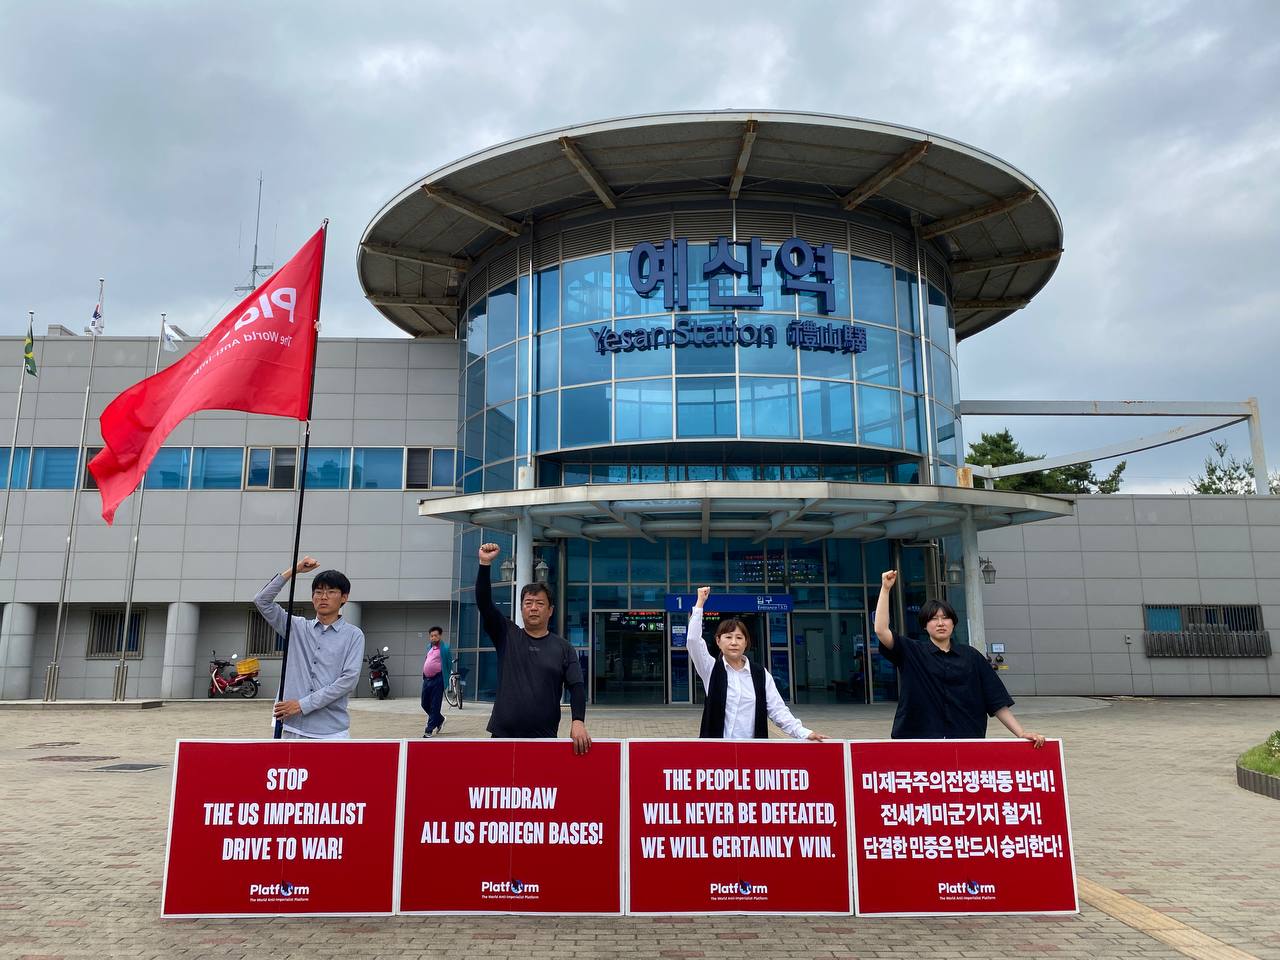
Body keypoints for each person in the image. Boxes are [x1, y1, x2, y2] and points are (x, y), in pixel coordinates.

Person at [873, 569, 1045, 746]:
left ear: (953, 623)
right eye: (934, 619)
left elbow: (996, 699)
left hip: (966, 742)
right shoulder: (911, 652)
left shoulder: (972, 657)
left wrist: (1021, 733)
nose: (940, 623)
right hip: (917, 742)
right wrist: (885, 589)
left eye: (945, 618)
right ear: (925, 625)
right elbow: (881, 630)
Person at [475, 543, 591, 754]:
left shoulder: (563, 648)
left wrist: (578, 721)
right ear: (521, 609)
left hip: (544, 740)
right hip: (502, 737)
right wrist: (484, 564)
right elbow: (484, 603)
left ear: (550, 610)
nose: (534, 608)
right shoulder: (507, 635)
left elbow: (576, 687)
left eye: (540, 603)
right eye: (528, 603)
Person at [689, 586, 826, 741]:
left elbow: (778, 711)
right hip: (717, 751)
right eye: (728, 637)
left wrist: (804, 733)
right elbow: (693, 640)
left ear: (746, 643)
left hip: (751, 750)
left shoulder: (760, 674)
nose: (734, 642)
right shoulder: (710, 669)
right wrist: (700, 603)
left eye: (739, 638)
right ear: (718, 641)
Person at [255, 556, 364, 739]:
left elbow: (348, 681)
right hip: (292, 728)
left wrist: (302, 705)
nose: (323, 597)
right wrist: (295, 570)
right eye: (318, 592)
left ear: (344, 597)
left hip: (332, 731)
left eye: (331, 592)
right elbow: (261, 601)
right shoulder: (296, 627)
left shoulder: (354, 635)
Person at [421, 625, 451, 737]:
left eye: (435, 635)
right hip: (427, 679)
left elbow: (449, 664)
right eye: (431, 636)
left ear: (440, 636)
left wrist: (445, 679)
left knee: (435, 705)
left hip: (438, 679)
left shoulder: (445, 648)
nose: (433, 638)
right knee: (424, 703)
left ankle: (429, 729)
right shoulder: (429, 647)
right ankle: (440, 720)